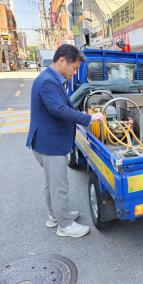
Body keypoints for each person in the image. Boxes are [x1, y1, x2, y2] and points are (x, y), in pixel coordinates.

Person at [26, 44, 103, 238]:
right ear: (62, 61)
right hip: (50, 144)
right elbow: (59, 110)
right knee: (59, 186)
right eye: (74, 67)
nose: (75, 72)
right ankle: (65, 225)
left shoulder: (51, 78)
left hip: (45, 142)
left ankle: (55, 215)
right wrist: (89, 118)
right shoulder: (48, 82)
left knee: (51, 184)